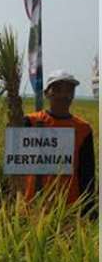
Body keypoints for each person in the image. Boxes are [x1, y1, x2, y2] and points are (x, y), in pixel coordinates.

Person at [21, 70, 96, 217]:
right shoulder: (30, 122)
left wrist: (89, 210)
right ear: (46, 93)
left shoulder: (82, 128)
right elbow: (16, 165)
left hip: (69, 207)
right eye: (57, 89)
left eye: (69, 90)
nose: (64, 95)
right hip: (33, 206)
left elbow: (87, 173)